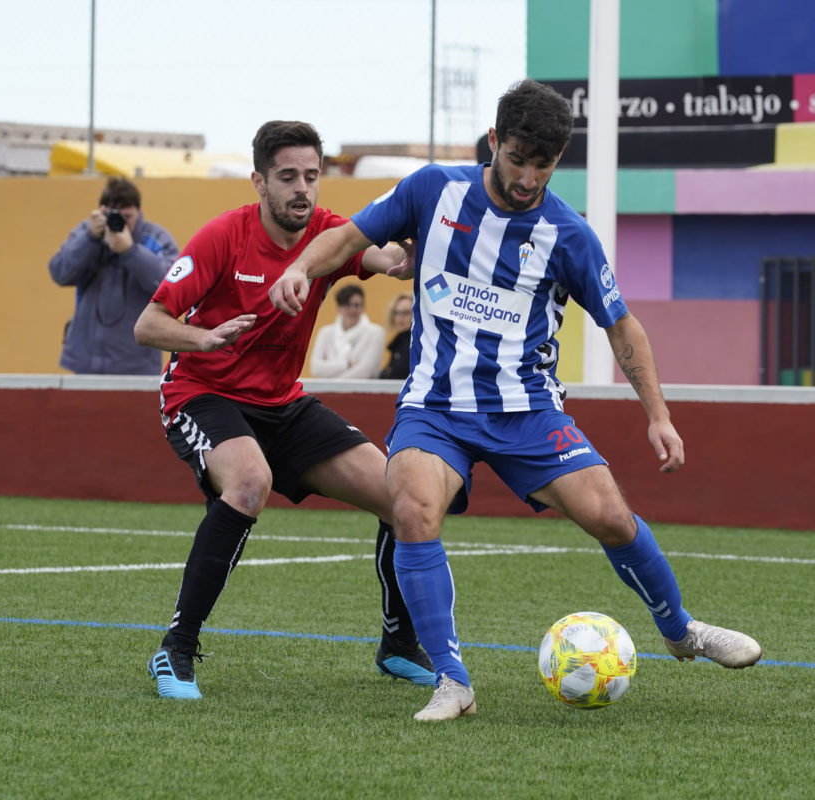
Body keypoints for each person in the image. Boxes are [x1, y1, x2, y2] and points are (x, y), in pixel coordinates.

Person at [269, 80, 762, 722]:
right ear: (495, 141)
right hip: (436, 408)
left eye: (545, 163)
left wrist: (658, 416)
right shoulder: (432, 190)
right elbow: (349, 234)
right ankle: (452, 681)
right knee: (412, 508)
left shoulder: (568, 234)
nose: (529, 176)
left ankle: (681, 630)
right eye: (518, 157)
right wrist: (300, 269)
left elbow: (622, 325)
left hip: (528, 409)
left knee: (611, 518)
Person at [132, 120, 432, 699]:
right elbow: (149, 325)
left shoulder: (329, 235)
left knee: (404, 493)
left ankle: (398, 645)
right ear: (259, 183)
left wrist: (407, 256)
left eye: (312, 176)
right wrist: (206, 338)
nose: (302, 188)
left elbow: (382, 258)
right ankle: (176, 649)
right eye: (288, 176)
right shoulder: (223, 237)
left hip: (282, 404)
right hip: (202, 392)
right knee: (249, 483)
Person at [49, 177, 179, 375]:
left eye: (127, 217)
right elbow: (59, 272)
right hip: (86, 364)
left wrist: (131, 252)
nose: (121, 223)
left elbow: (173, 287)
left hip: (136, 367)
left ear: (139, 210)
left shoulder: (156, 239)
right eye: (113, 215)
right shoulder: (88, 233)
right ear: (102, 211)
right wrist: (90, 239)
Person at [309, 284, 385, 378]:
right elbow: (316, 369)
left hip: (361, 392)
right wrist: (347, 364)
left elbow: (365, 371)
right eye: (347, 305)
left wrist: (331, 384)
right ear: (338, 308)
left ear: (363, 307)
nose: (352, 310)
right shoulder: (325, 333)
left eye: (357, 305)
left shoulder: (376, 333)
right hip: (326, 391)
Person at [378, 293, 413, 380]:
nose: (400, 318)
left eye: (406, 313)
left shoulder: (416, 343)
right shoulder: (398, 342)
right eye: (396, 313)